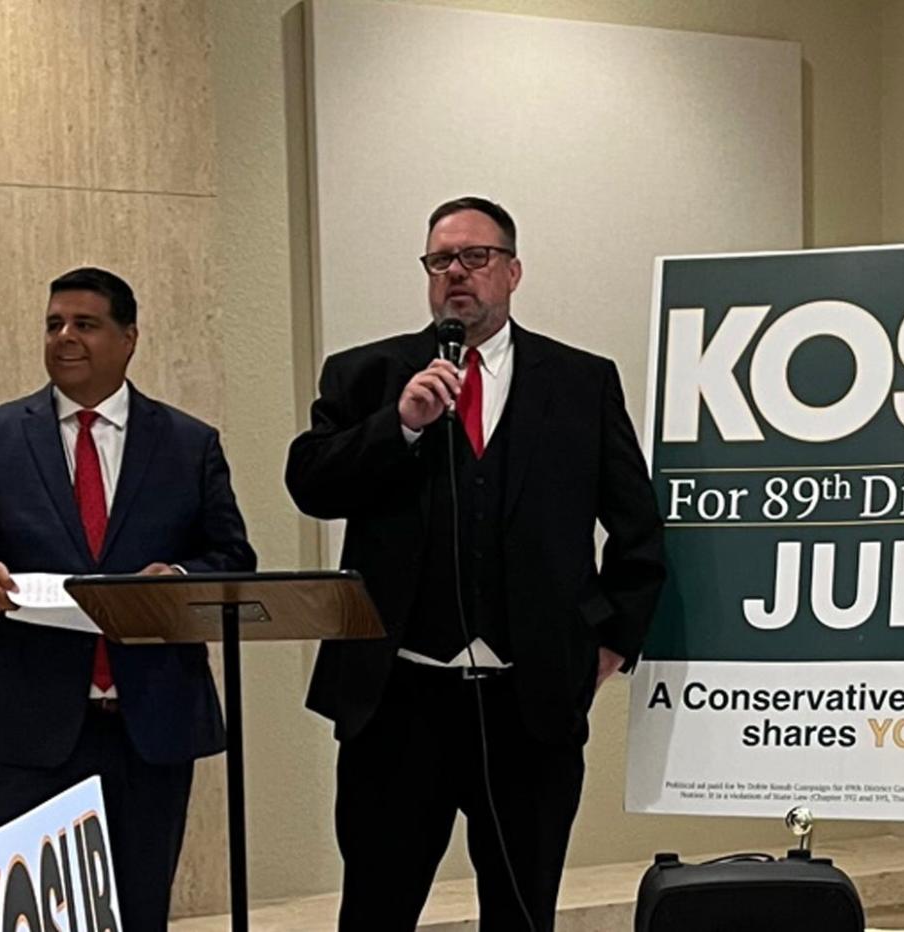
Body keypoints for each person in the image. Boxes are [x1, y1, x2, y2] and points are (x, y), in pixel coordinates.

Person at [285, 197, 665, 930]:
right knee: (375, 910)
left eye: (475, 257)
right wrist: (397, 426)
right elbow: (312, 485)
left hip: (530, 706)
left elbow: (637, 532)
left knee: (522, 914)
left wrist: (610, 642)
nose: (456, 273)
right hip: (398, 701)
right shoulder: (367, 374)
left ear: (513, 271)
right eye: (440, 260)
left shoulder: (580, 382)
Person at [0, 266, 255, 931]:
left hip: (148, 725)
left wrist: (180, 581)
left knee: (138, 913)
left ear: (128, 338)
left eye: (85, 324)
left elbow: (233, 557)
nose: (65, 337)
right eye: (54, 324)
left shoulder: (189, 443)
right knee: (25, 917)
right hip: (26, 726)